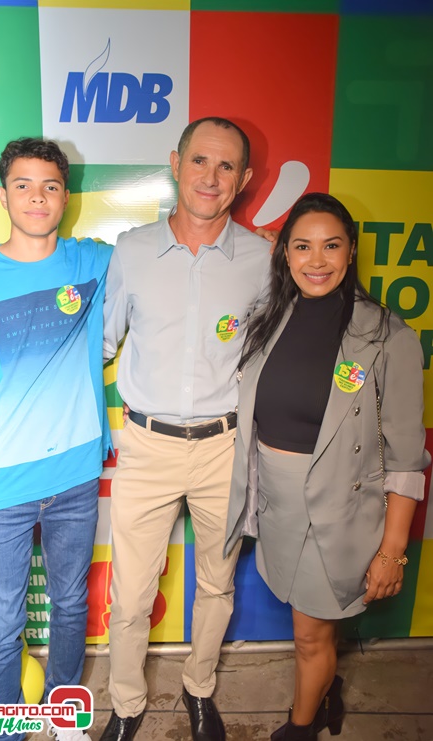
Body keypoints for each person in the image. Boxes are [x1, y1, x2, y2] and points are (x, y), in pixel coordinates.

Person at [224, 192, 431, 740]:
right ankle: (327, 688)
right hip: (277, 508)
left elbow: (406, 461)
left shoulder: (389, 337)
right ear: (285, 254)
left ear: (352, 250)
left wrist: (392, 552)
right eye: (302, 247)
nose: (316, 261)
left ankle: (302, 726)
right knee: (311, 627)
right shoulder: (269, 318)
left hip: (339, 514)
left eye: (331, 246)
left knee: (309, 636)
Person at [101, 117, 273, 741]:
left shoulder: (263, 259)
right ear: (176, 163)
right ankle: (126, 704)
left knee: (216, 587)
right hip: (146, 446)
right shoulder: (130, 251)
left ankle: (199, 688)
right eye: (200, 160)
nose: (211, 177)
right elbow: (101, 343)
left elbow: (274, 352)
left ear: (244, 179)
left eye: (227, 166)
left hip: (225, 448)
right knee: (130, 597)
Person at [0, 138, 113, 741]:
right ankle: (6, 731)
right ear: (3, 194)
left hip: (75, 480)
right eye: (23, 185)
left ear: (65, 196)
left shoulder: (94, 263)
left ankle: (64, 716)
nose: (37, 197)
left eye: (50, 186)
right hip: (0, 491)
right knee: (2, 627)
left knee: (70, 607)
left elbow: (166, 252)